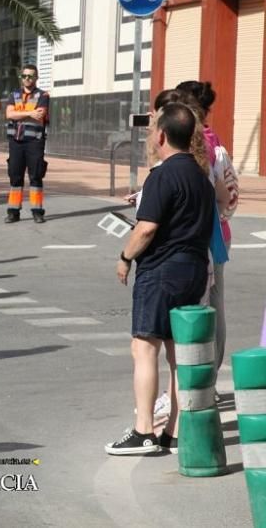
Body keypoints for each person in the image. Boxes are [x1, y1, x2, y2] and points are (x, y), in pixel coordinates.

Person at [105, 102, 215, 456]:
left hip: (161, 270)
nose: (151, 135)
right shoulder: (201, 175)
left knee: (144, 347)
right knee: (176, 352)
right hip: (194, 269)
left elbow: (147, 227)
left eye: (153, 129)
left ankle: (143, 432)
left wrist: (125, 257)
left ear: (163, 135)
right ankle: (175, 430)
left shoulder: (162, 175)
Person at [175, 80, 237, 374]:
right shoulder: (213, 137)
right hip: (217, 234)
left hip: (204, 236)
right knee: (214, 305)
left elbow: (213, 193)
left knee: (203, 309)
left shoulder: (200, 142)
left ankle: (202, 380)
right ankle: (206, 377)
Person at [4, 64, 49, 223]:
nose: (27, 79)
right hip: (16, 141)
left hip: (34, 141)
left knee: (35, 176)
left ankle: (37, 211)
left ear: (36, 78)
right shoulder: (14, 94)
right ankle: (13, 211)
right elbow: (8, 114)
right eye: (24, 76)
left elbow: (40, 115)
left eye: (30, 76)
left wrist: (18, 114)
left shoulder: (43, 95)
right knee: (15, 176)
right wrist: (30, 112)